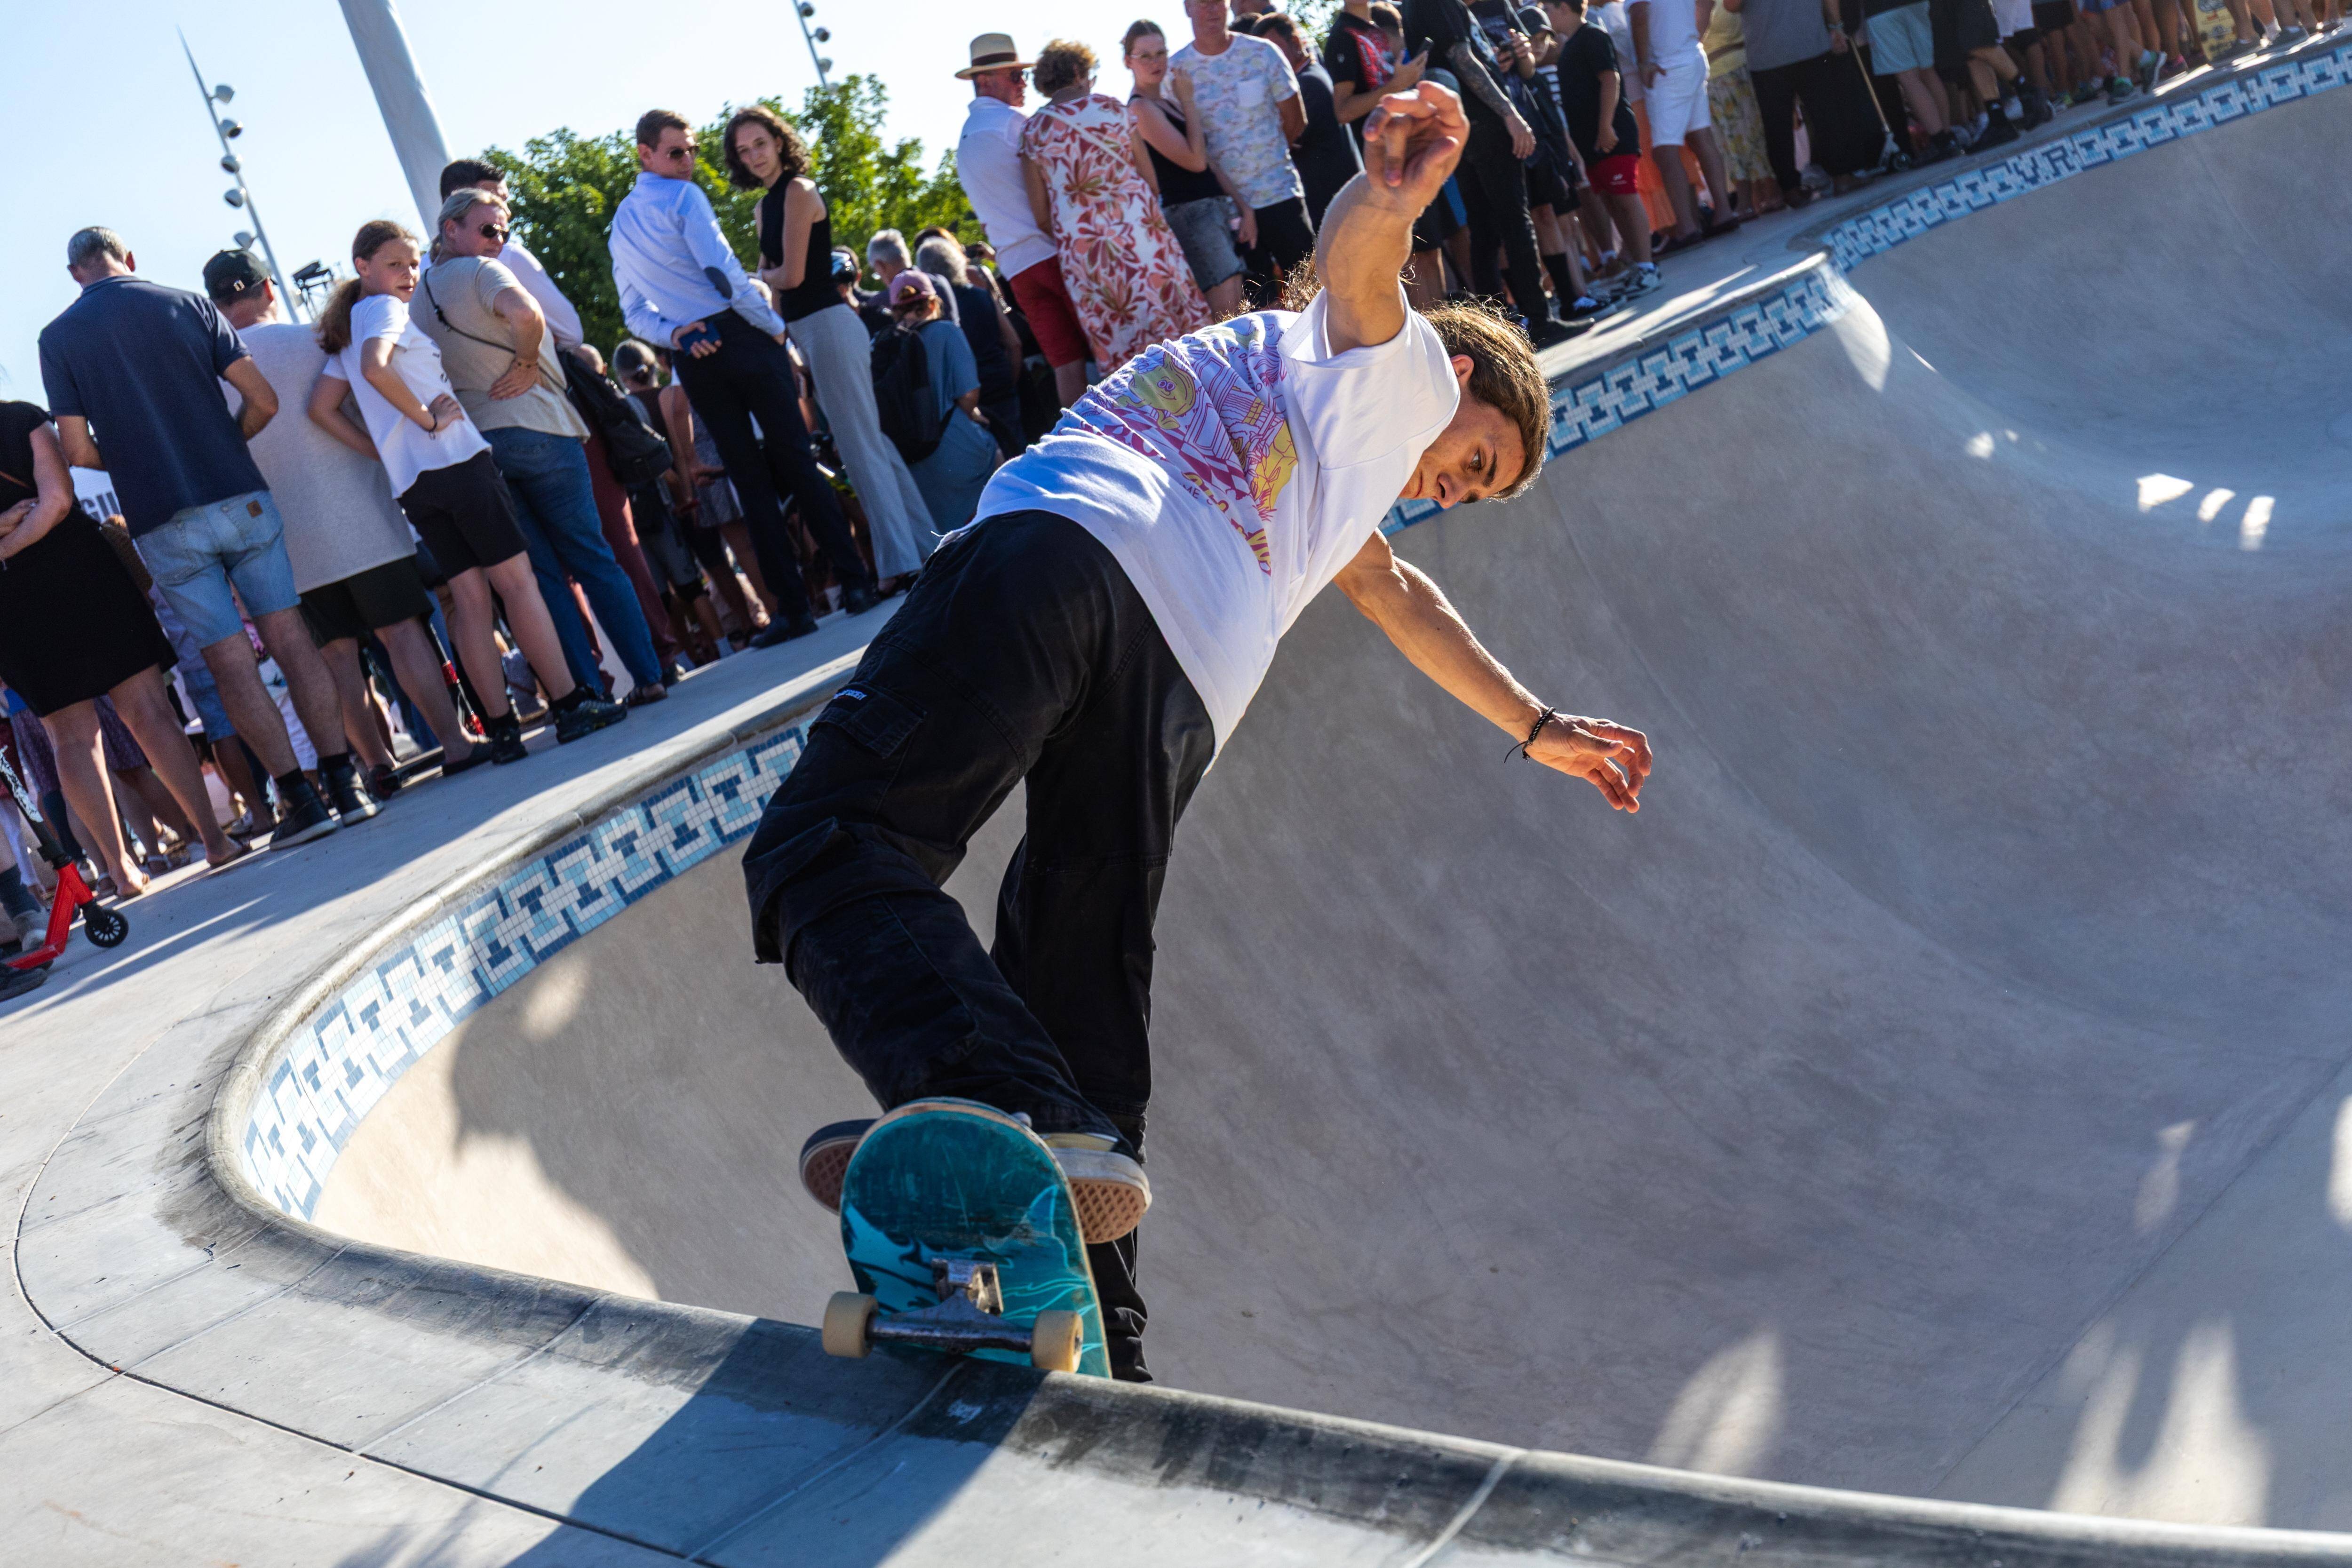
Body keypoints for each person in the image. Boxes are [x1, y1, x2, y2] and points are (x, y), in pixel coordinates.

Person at [741, 80, 1652, 1383]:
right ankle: (1107, 1330)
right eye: (1475, 461)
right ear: (1457, 378)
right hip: (1179, 684)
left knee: (827, 846)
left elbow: (1396, 591)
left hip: (1076, 567)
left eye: (1473, 490)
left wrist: (1534, 721)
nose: (1451, 489)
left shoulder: (1333, 458)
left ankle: (1021, 1151)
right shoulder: (1390, 375)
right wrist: (1384, 196)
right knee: (1079, 969)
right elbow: (1361, 274)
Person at [37, 227, 352, 844]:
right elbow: (262, 400)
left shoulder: (59, 338)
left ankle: (300, 801)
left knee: (229, 662)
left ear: (76, 274)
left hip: (162, 518)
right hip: (240, 495)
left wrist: (135, 464)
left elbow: (76, 449)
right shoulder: (189, 304)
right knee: (292, 638)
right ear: (129, 258)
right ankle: (347, 783)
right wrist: (225, 444)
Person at [312, 221, 627, 758]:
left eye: (413, 263)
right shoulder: (383, 311)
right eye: (395, 264)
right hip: (457, 464)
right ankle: (571, 704)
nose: (409, 274)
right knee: (518, 585)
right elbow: (375, 369)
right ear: (362, 267)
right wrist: (428, 421)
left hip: (416, 484)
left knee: (471, 602)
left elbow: (322, 408)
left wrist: (388, 449)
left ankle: (501, 730)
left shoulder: (353, 323)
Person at [201, 250, 484, 790]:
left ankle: (377, 765)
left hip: (287, 538)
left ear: (215, 307)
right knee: (402, 632)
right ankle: (455, 742)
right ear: (269, 289)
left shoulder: (212, 377)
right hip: (362, 513)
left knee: (335, 658)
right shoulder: (320, 340)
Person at [611, 110, 879, 641]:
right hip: (738, 333)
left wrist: (676, 334)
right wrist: (776, 331)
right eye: (676, 153)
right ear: (645, 154)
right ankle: (852, 583)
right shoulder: (682, 198)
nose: (688, 162)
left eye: (692, 150)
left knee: (750, 479)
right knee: (793, 462)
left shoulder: (621, 224)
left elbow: (635, 313)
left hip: (695, 352)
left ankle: (794, 608)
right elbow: (724, 276)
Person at [417, 190, 669, 704]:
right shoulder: (482, 271)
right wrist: (528, 363)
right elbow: (527, 313)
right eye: (488, 229)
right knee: (593, 558)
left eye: (504, 231)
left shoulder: (418, 297)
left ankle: (588, 693)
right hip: (541, 428)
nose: (499, 240)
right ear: (450, 229)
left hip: (481, 446)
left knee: (542, 578)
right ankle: (649, 676)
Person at [0, 402, 243, 897]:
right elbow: (58, 502)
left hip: (15, 601)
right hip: (83, 571)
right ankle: (213, 839)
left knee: (70, 740)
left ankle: (121, 869)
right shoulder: (22, 419)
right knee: (150, 713)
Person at [726, 106, 937, 586]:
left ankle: (901, 564)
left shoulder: (800, 191)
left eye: (759, 144)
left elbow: (788, 275)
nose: (754, 156)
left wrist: (759, 276)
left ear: (779, 142)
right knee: (869, 444)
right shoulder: (763, 208)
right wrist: (780, 335)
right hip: (804, 333)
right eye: (743, 150)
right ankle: (928, 550)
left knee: (860, 449)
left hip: (830, 325)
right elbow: (776, 289)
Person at [1020, 39, 1213, 370]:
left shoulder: (1034, 131)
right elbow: (1151, 181)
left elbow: (1040, 215)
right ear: (1079, 72)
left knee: (1122, 341)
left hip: (1086, 249)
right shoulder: (1113, 109)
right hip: (1141, 232)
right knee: (1177, 325)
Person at [1405, 0, 1576, 342]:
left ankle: (1495, 334)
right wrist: (1509, 113)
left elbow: (1468, 57)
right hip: (1483, 125)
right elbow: (1462, 59)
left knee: (1485, 229)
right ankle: (1539, 321)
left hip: (1464, 127)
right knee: (1513, 222)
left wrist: (1506, 59)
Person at [957, 35, 1096, 409]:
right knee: (1105, 347)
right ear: (985, 80)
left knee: (1066, 365)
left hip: (1018, 270)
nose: (1024, 83)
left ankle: (1088, 438)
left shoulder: (965, 140)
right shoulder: (1016, 125)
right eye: (1015, 75)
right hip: (1054, 255)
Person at [1172, 0, 1318, 305]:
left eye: (1218, 1)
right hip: (1228, 213)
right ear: (1187, 8)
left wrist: (1267, 160)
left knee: (1314, 293)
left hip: (1280, 195)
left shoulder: (1263, 53)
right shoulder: (1175, 73)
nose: (1212, 9)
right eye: (1203, 3)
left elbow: (1296, 119)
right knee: (1262, 309)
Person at [1124, 20, 1253, 318]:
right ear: (1128, 61)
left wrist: (1244, 208)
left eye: (1161, 53)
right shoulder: (1140, 108)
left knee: (1240, 304)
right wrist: (1188, 100)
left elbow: (1208, 160)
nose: (1155, 62)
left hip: (1214, 210)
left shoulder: (1166, 102)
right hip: (1191, 215)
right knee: (1228, 314)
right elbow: (1195, 162)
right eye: (1145, 56)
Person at [877, 271, 1001, 533]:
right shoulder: (947, 332)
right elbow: (969, 395)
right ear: (933, 303)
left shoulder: (882, 343)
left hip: (908, 460)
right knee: (999, 460)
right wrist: (973, 414)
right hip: (953, 449)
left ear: (895, 310)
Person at [1727, 0, 1881, 205]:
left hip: (1767, 53)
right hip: (1811, 41)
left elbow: (1731, 5)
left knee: (1777, 125)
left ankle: (1790, 189)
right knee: (1827, 112)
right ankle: (1842, 176)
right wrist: (1836, 26)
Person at [436, 159, 587, 352]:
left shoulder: (419, 271)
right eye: (493, 199)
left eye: (505, 200)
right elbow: (571, 334)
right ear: (458, 197)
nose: (507, 210)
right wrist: (529, 354)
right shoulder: (507, 257)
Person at [1629, 0, 1745, 246]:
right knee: (1702, 138)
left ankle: (1687, 227)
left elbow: (1639, 13)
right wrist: (1692, 39)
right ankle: (1724, 212)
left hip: (1667, 67)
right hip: (1691, 56)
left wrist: (1643, 62)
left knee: (1665, 151)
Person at [915, 233, 1029, 461]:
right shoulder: (981, 296)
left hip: (969, 398)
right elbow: (1014, 344)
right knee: (1020, 450)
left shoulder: (936, 314)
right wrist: (1010, 381)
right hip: (1001, 385)